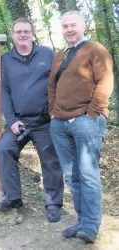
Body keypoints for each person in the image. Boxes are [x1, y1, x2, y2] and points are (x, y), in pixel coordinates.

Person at [48, 11, 114, 243]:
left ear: (83, 26)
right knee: (72, 176)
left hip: (87, 120)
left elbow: (105, 81)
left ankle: (91, 225)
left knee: (87, 174)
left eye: (73, 25)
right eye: (65, 26)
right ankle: (82, 221)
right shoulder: (60, 55)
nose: (69, 29)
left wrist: (92, 112)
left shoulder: (95, 49)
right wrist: (53, 112)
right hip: (60, 123)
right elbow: (52, 86)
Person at [0, 18, 64, 223]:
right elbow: (4, 92)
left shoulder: (47, 54)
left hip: (44, 121)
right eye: (18, 32)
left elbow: (58, 84)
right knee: (3, 149)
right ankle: (13, 198)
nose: (22, 35)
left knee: (50, 160)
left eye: (26, 31)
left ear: (32, 33)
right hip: (19, 122)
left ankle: (53, 204)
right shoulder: (5, 59)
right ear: (13, 35)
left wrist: (56, 111)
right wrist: (11, 120)